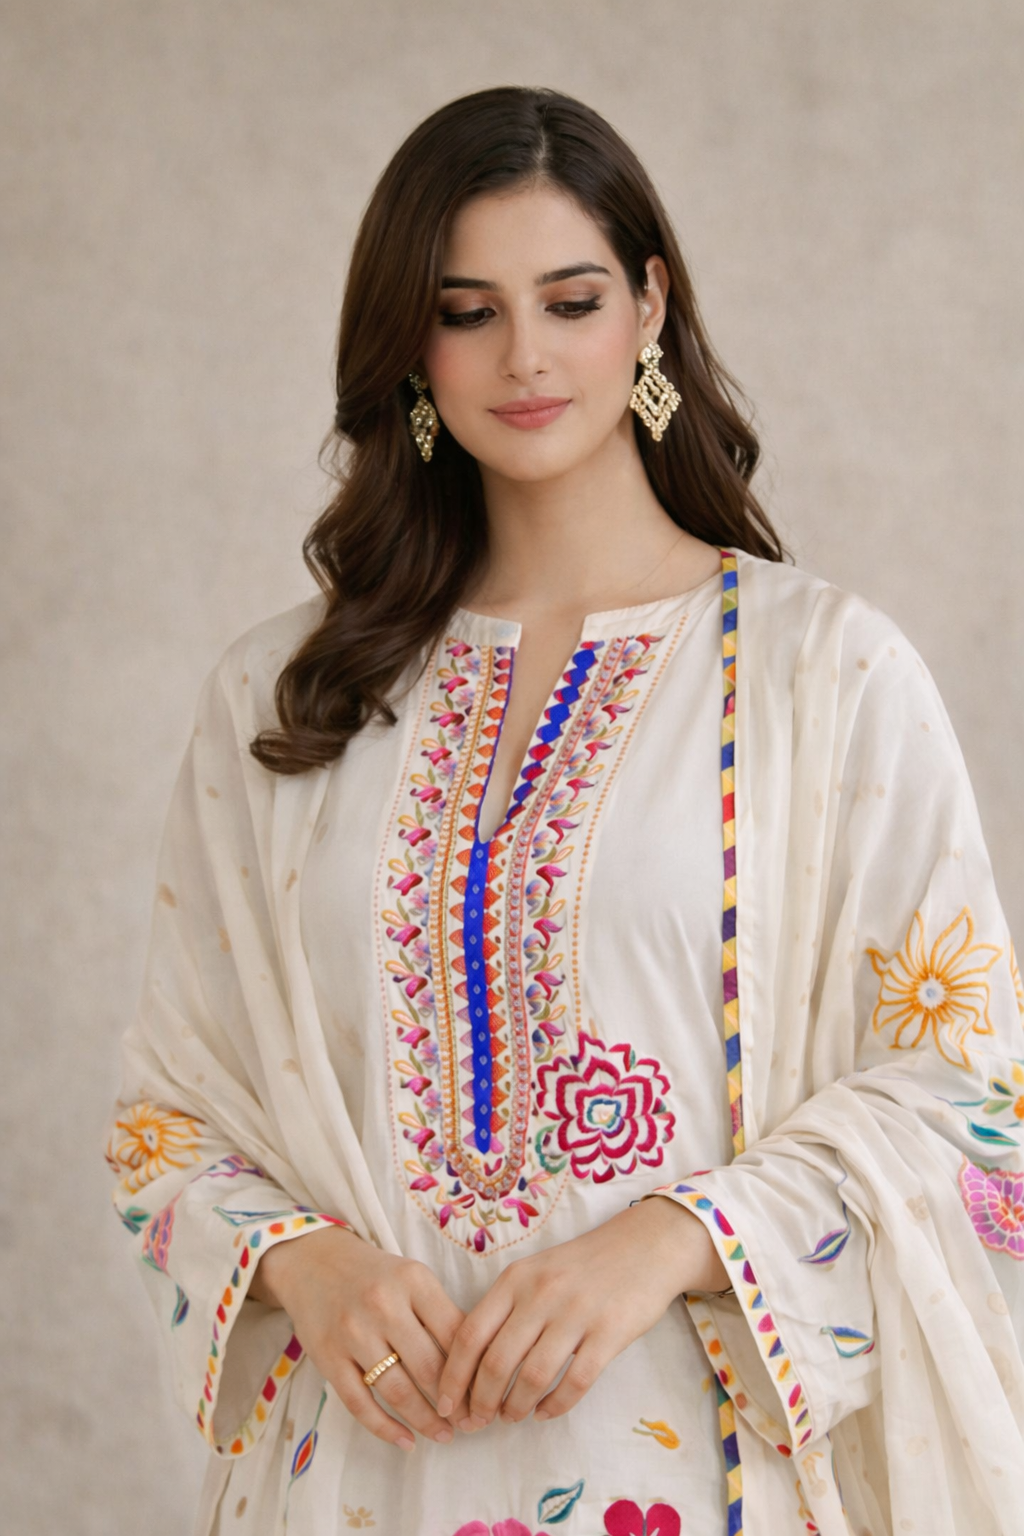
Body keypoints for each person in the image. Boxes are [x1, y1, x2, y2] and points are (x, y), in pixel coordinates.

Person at [104, 86, 1024, 1536]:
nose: (524, 357)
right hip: (363, 1471)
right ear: (411, 343)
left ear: (650, 306)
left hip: (712, 1471)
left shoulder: (820, 675)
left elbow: (971, 1095)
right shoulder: (289, 699)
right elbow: (169, 1112)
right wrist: (301, 1263)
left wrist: (672, 1238)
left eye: (571, 298)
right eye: (465, 311)